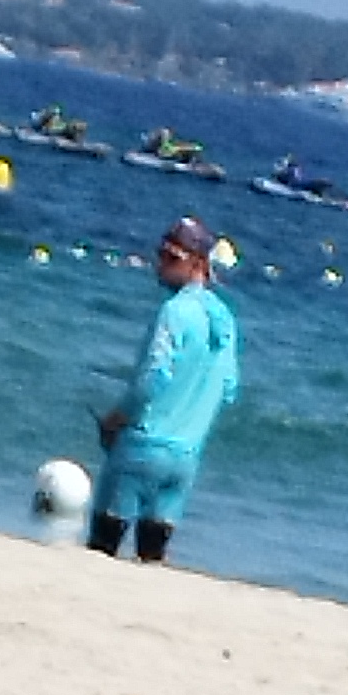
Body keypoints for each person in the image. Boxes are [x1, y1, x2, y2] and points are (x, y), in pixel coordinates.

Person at [91, 213, 241, 563]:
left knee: (101, 551)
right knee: (153, 557)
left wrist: (116, 419)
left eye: (172, 258)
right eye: (160, 254)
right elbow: (228, 388)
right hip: (186, 456)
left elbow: (152, 378)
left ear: (199, 264)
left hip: (141, 447)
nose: (160, 265)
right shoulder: (225, 320)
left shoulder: (174, 311)